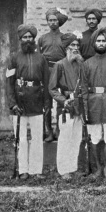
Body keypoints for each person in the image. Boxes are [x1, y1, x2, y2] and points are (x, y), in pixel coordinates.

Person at [6, 24, 51, 180]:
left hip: (37, 101)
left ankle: (36, 170)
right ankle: (23, 169)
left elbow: (47, 82)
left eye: (30, 37)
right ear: (20, 39)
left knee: (37, 137)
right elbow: (9, 83)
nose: (27, 40)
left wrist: (47, 103)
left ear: (34, 39)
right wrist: (13, 104)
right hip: (20, 102)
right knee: (22, 139)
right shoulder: (13, 58)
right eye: (24, 37)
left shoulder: (41, 58)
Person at [82, 27, 106, 179]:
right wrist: (85, 108)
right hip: (93, 103)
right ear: (94, 43)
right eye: (98, 41)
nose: (100, 43)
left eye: (103, 41)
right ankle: (98, 168)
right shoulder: (86, 64)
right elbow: (84, 89)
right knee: (95, 137)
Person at [49, 31, 85, 179]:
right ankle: (64, 170)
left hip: (79, 104)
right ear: (66, 48)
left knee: (76, 137)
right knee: (65, 138)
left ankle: (73, 167)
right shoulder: (59, 65)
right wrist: (63, 100)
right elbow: (51, 88)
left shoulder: (82, 64)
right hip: (65, 106)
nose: (75, 48)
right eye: (72, 45)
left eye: (77, 45)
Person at [38, 8, 69, 142]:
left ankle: (59, 130)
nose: (52, 23)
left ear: (59, 21)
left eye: (55, 20)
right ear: (47, 22)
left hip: (61, 70)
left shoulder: (64, 37)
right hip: (47, 70)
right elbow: (39, 57)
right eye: (50, 20)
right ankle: (48, 131)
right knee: (47, 102)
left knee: (61, 101)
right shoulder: (42, 38)